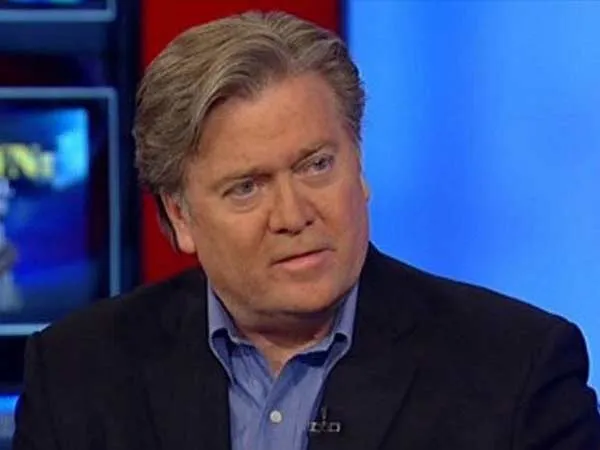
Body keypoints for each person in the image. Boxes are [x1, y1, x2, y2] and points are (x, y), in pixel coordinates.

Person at [12, 10, 600, 450]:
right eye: (247, 187)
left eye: (316, 165)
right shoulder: (78, 374)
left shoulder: (517, 370)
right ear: (180, 217)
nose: (293, 216)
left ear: (359, 168)